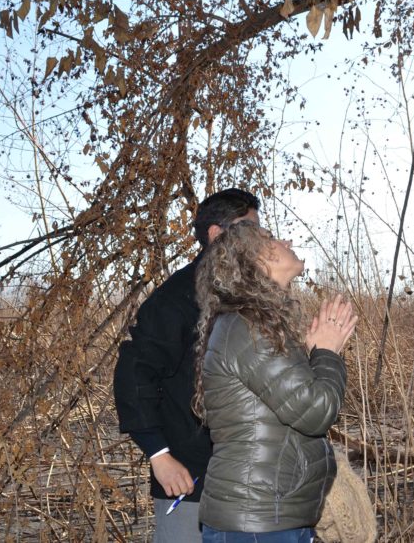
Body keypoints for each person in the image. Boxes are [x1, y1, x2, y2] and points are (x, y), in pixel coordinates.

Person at [192, 221, 357, 543]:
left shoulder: (256, 325)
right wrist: (326, 352)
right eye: (269, 238)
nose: (286, 239)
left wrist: (315, 355)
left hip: (270, 517)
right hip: (258, 522)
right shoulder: (247, 328)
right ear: (252, 260)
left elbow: (291, 408)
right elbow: (314, 412)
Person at [113, 188, 260, 542]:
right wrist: (159, 455)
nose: (259, 239)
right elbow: (134, 370)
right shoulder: (179, 296)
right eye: (249, 229)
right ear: (216, 234)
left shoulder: (248, 296)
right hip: (189, 478)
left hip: (247, 480)